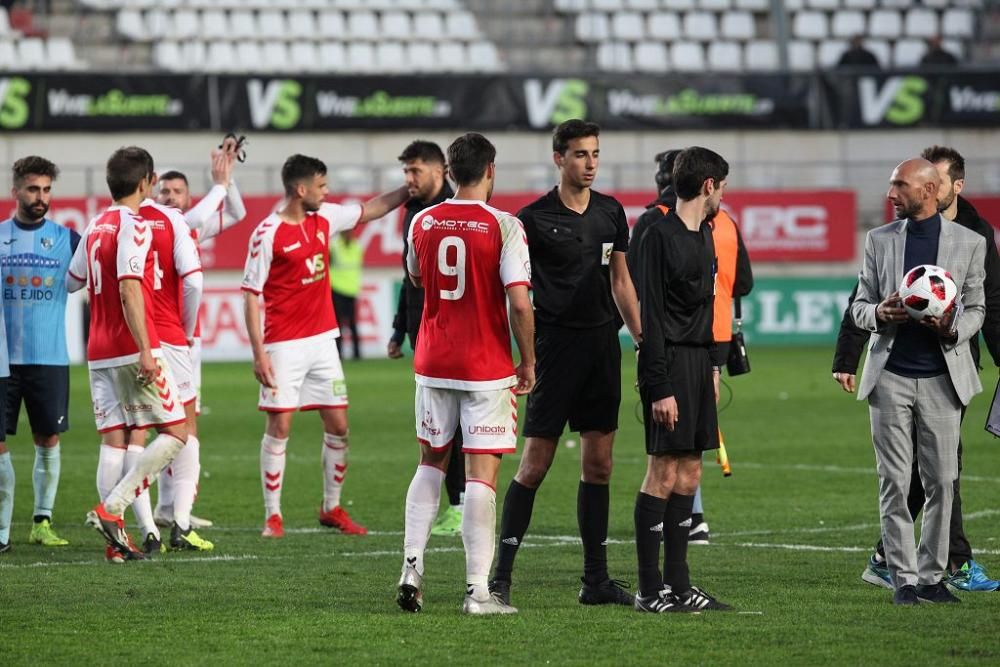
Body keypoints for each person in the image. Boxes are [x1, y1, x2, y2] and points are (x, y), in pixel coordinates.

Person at [834, 146, 1000, 593]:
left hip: (945, 382)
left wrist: (952, 328)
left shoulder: (972, 242)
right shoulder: (879, 239)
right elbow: (859, 305)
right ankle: (903, 579)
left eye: (899, 186)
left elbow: (980, 308)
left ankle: (932, 577)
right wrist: (878, 316)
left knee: (943, 483)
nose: (890, 193)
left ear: (928, 190)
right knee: (893, 481)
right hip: (889, 378)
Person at [489, 119, 641, 608]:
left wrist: (642, 339)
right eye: (580, 154)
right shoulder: (529, 220)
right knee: (535, 465)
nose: (590, 163)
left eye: (595, 153)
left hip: (602, 348)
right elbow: (515, 294)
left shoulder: (612, 213)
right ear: (559, 158)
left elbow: (621, 281)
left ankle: (595, 581)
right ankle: (499, 577)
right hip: (554, 349)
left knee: (599, 465)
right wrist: (522, 355)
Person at [395, 132, 534, 615]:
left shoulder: (421, 220)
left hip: (433, 361)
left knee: (430, 463)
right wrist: (529, 360)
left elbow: (415, 277)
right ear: (490, 170)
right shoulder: (504, 225)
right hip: (485, 367)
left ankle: (411, 567)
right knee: (481, 477)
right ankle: (478, 591)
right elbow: (519, 300)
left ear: (449, 172)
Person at [241, 154, 407, 538]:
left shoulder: (325, 218)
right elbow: (250, 295)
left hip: (323, 343)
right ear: (301, 190)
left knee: (339, 425)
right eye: (321, 186)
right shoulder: (267, 233)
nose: (327, 191)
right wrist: (259, 352)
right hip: (282, 345)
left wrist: (406, 191)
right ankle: (273, 516)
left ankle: (331, 507)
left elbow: (370, 210)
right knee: (280, 424)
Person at [68, 146, 190, 562]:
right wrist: (145, 349)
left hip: (96, 349)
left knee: (114, 442)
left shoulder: (95, 224)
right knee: (175, 432)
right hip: (127, 346)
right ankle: (112, 509)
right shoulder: (134, 225)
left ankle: (114, 544)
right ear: (146, 183)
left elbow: (72, 282)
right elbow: (128, 285)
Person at [630, 149, 753, 545]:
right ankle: (656, 580)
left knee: (686, 460)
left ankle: (679, 570)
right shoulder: (681, 229)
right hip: (683, 349)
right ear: (708, 185)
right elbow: (744, 283)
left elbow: (638, 294)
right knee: (669, 461)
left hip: (698, 351)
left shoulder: (694, 229)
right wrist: (655, 374)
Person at [153, 143, 247, 530]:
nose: (170, 197)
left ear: (187, 197)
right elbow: (197, 215)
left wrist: (228, 179)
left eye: (176, 192)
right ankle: (175, 512)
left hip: (187, 341)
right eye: (164, 192)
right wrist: (219, 186)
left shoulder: (191, 225)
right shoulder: (169, 224)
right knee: (173, 426)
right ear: (154, 195)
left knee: (176, 426)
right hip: (166, 340)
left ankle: (168, 507)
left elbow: (238, 213)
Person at [123, 158, 209, 554]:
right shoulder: (173, 221)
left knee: (134, 433)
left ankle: (145, 529)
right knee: (184, 427)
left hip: (129, 339)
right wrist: (185, 327)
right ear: (151, 182)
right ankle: (181, 522)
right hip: (171, 337)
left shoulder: (107, 222)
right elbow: (193, 280)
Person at [0, 156, 80, 551]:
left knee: (47, 440)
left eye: (47, 189)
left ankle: (41, 522)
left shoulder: (69, 241)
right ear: (15, 191)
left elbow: (100, 275)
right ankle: (1, 531)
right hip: (2, 362)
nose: (41, 197)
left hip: (49, 359)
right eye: (33, 189)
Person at [388, 140, 464, 537]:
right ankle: (457, 503)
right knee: (438, 425)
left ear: (440, 171)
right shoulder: (413, 214)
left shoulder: (454, 211)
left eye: (415, 171)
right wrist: (400, 329)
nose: (409, 180)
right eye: (406, 172)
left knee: (457, 424)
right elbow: (408, 276)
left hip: (454, 330)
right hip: (424, 330)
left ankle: (460, 504)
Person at [329, 230, 363, 360]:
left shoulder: (356, 246)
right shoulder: (335, 246)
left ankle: (357, 355)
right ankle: (339, 354)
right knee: (338, 324)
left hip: (351, 289)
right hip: (337, 289)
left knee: (352, 324)